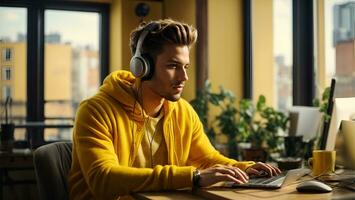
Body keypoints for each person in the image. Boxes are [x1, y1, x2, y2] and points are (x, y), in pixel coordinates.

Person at [68, 18, 281, 200]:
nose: (183, 77)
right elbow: (103, 179)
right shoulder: (95, 110)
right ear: (142, 67)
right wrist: (193, 177)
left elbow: (208, 159)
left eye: (185, 67)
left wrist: (244, 168)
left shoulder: (182, 111)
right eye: (172, 66)